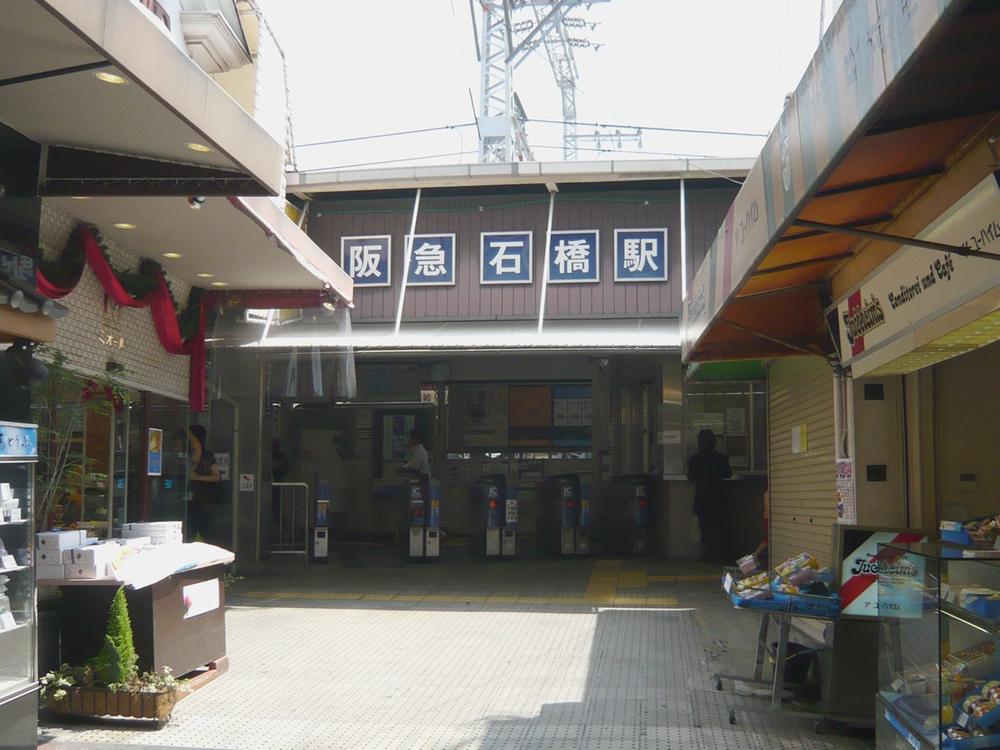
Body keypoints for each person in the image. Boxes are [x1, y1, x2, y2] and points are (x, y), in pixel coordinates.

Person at [687, 429, 732, 564]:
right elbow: (728, 474)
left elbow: (690, 477)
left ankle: (707, 557)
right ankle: (724, 556)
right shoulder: (721, 458)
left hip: (702, 499)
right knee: (721, 529)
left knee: (705, 531)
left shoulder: (695, 459)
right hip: (718, 498)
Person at [187, 425, 221, 543]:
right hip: (199, 500)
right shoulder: (203, 455)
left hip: (201, 499)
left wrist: (197, 477)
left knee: (200, 529)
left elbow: (216, 476)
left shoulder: (203, 455)